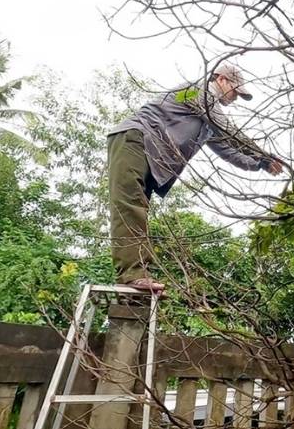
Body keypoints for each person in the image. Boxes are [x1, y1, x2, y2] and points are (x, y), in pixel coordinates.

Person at [107, 63, 282, 292]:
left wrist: (259, 164)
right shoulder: (194, 91)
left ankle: (134, 285)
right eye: (235, 91)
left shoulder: (207, 120)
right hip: (134, 139)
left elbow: (228, 151)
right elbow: (229, 130)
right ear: (221, 79)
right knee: (129, 207)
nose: (236, 98)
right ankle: (133, 276)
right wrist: (263, 155)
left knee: (138, 210)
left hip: (151, 154)